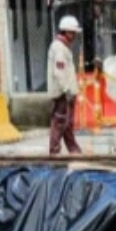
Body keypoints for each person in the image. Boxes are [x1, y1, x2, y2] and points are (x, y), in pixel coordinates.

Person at [47, 15, 83, 155]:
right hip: (62, 93)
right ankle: (54, 151)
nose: (74, 35)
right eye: (71, 32)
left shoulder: (63, 47)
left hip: (66, 92)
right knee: (60, 122)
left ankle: (73, 149)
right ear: (65, 32)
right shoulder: (59, 48)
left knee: (67, 124)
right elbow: (59, 72)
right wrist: (67, 90)